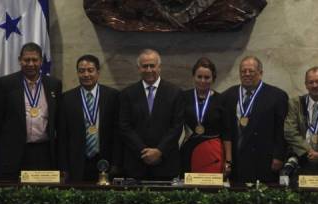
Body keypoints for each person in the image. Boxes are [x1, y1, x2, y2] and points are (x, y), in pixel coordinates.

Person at [0, 42, 62, 179]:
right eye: (27, 60)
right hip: (15, 152)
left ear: (41, 61)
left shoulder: (53, 84)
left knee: (45, 195)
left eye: (35, 60)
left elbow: (58, 121)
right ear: (20, 60)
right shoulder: (5, 84)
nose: (31, 64)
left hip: (45, 152)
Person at [119, 49, 184, 180]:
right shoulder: (127, 94)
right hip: (136, 164)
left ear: (159, 67)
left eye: (152, 66)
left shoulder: (175, 92)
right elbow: (124, 126)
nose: (149, 70)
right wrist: (144, 152)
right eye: (145, 66)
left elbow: (177, 127)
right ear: (139, 68)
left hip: (166, 163)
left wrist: (159, 151)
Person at [222, 56, 288, 183]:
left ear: (260, 73)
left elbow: (282, 130)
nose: (247, 74)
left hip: (264, 159)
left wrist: (279, 156)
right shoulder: (228, 95)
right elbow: (226, 129)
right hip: (237, 160)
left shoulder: (277, 96)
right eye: (243, 71)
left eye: (251, 71)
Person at [58, 55, 120, 182]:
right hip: (76, 161)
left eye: (90, 70)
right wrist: (64, 166)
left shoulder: (113, 96)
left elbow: (117, 132)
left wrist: (116, 163)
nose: (86, 74)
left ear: (98, 72)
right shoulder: (66, 99)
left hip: (105, 160)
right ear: (77, 73)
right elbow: (62, 136)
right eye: (81, 71)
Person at [180, 57, 232, 175]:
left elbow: (227, 133)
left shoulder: (221, 100)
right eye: (199, 77)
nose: (202, 81)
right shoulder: (183, 97)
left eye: (207, 77)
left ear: (213, 79)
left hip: (213, 153)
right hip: (189, 150)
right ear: (193, 77)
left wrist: (228, 161)